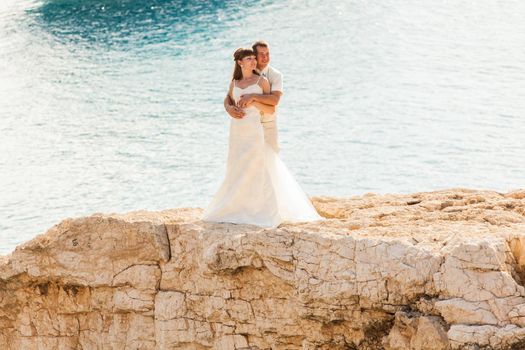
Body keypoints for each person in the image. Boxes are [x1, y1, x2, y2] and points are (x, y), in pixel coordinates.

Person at [202, 48, 322, 228]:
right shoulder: (234, 82)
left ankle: (260, 210)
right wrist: (230, 109)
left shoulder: (261, 81)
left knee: (256, 165)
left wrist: (254, 101)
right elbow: (228, 99)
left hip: (253, 129)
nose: (253, 61)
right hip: (236, 131)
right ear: (240, 63)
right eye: (249, 59)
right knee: (237, 166)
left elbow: (271, 109)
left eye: (253, 58)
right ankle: (235, 207)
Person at [224, 41, 282, 153]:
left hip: (266, 124)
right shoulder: (238, 80)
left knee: (268, 162)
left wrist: (253, 97)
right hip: (240, 127)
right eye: (261, 54)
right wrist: (228, 108)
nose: (265, 57)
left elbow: (274, 100)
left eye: (267, 54)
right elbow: (229, 97)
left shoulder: (274, 76)